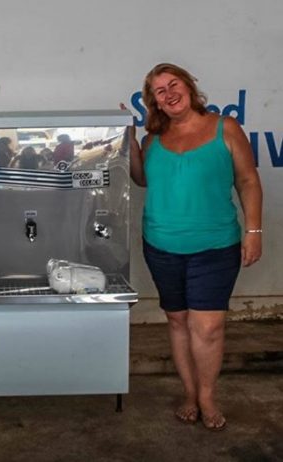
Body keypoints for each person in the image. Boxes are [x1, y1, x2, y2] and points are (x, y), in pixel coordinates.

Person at [127, 63, 262, 431]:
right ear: (154, 102)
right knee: (177, 320)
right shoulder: (153, 139)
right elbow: (141, 180)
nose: (169, 93)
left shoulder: (225, 128)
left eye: (174, 84)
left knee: (208, 327)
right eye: (160, 91)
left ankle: (206, 396)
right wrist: (130, 141)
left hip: (215, 246)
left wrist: (253, 230)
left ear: (188, 86)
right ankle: (189, 393)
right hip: (160, 245)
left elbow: (248, 181)